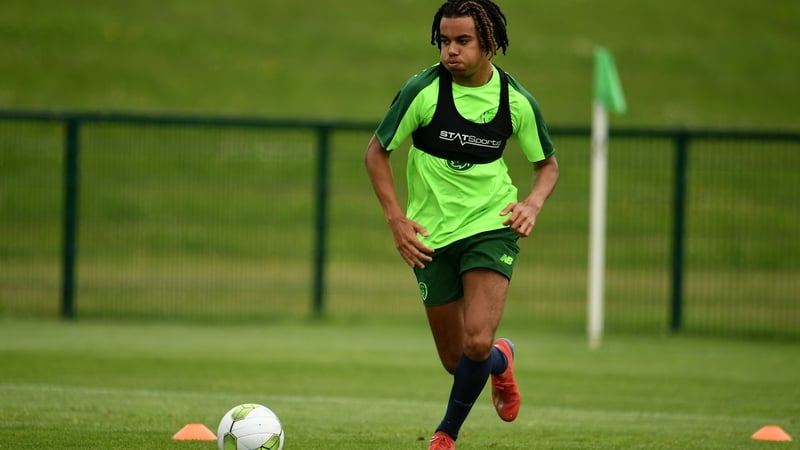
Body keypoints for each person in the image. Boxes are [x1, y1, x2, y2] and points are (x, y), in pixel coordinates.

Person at [364, 0, 559, 448]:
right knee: (458, 360)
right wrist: (396, 219)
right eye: (444, 41)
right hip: (430, 238)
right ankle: (500, 361)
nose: (450, 51)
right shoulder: (422, 90)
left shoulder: (516, 101)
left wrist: (532, 203)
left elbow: (547, 165)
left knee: (476, 340)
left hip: (491, 228)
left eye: (462, 41)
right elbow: (377, 152)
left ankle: (445, 434)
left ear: (489, 43)